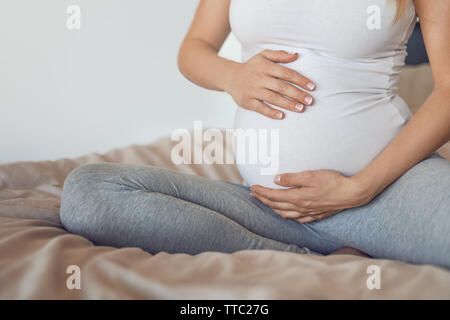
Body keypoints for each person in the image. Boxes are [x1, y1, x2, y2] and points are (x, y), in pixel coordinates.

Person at [60, 0, 450, 268]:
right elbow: (194, 49)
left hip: (385, 194)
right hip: (269, 208)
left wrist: (360, 188)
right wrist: (232, 76)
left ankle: (344, 244)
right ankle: (305, 256)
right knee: (89, 194)